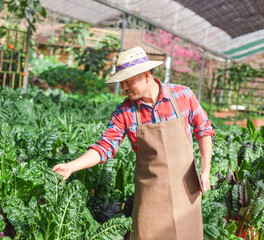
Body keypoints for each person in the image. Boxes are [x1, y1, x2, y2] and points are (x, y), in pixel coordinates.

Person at [52, 46, 214, 239]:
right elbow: (105, 147)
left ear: (146, 75)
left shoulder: (183, 96)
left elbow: (203, 131)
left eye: (128, 81)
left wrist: (205, 171)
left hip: (186, 191)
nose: (124, 88)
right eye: (122, 82)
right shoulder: (125, 112)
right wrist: (72, 166)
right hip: (151, 196)